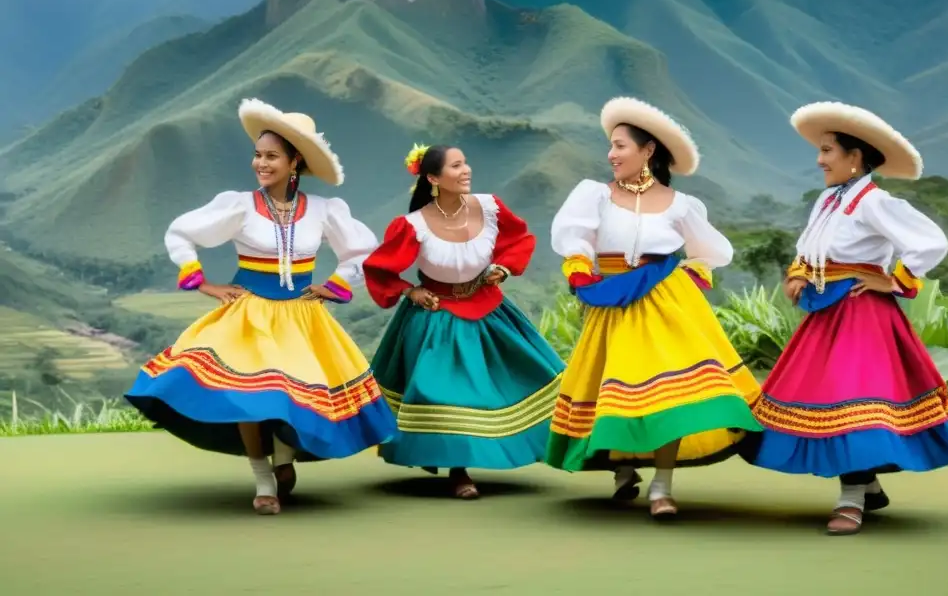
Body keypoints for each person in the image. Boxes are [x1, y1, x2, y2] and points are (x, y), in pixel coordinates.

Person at [124, 98, 397, 515]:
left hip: (302, 317)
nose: (261, 163)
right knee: (251, 395)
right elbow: (181, 233)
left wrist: (335, 286)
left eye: (272, 156)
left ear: (295, 163)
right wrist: (203, 283)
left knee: (290, 392)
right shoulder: (238, 205)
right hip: (250, 313)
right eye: (258, 154)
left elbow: (362, 251)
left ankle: (284, 458)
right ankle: (262, 475)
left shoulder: (323, 211)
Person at [742, 101, 948, 536]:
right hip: (826, 312)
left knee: (850, 403)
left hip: (861, 314)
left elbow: (929, 241)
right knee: (825, 402)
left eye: (828, 150)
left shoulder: (875, 202)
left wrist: (896, 280)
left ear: (854, 158)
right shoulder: (828, 201)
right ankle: (867, 486)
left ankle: (850, 501)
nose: (819, 159)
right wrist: (798, 274)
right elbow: (810, 247)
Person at [545, 97, 763, 519]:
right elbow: (578, 239)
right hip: (612, 302)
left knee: (671, 394)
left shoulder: (680, 204)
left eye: (621, 145)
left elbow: (710, 251)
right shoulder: (595, 195)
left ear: (648, 151)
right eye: (611, 145)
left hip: (666, 304)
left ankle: (662, 485)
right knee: (621, 389)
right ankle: (623, 466)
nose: (612, 154)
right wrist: (578, 266)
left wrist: (694, 276)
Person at [361, 143, 566, 499]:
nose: (466, 170)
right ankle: (458, 470)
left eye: (466, 163)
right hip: (436, 318)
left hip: (490, 312)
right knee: (445, 392)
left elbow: (519, 239)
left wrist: (503, 266)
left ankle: (545, 445)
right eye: (456, 166)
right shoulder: (412, 225)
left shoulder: (490, 208)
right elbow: (379, 269)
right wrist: (411, 292)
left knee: (527, 377)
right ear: (433, 178)